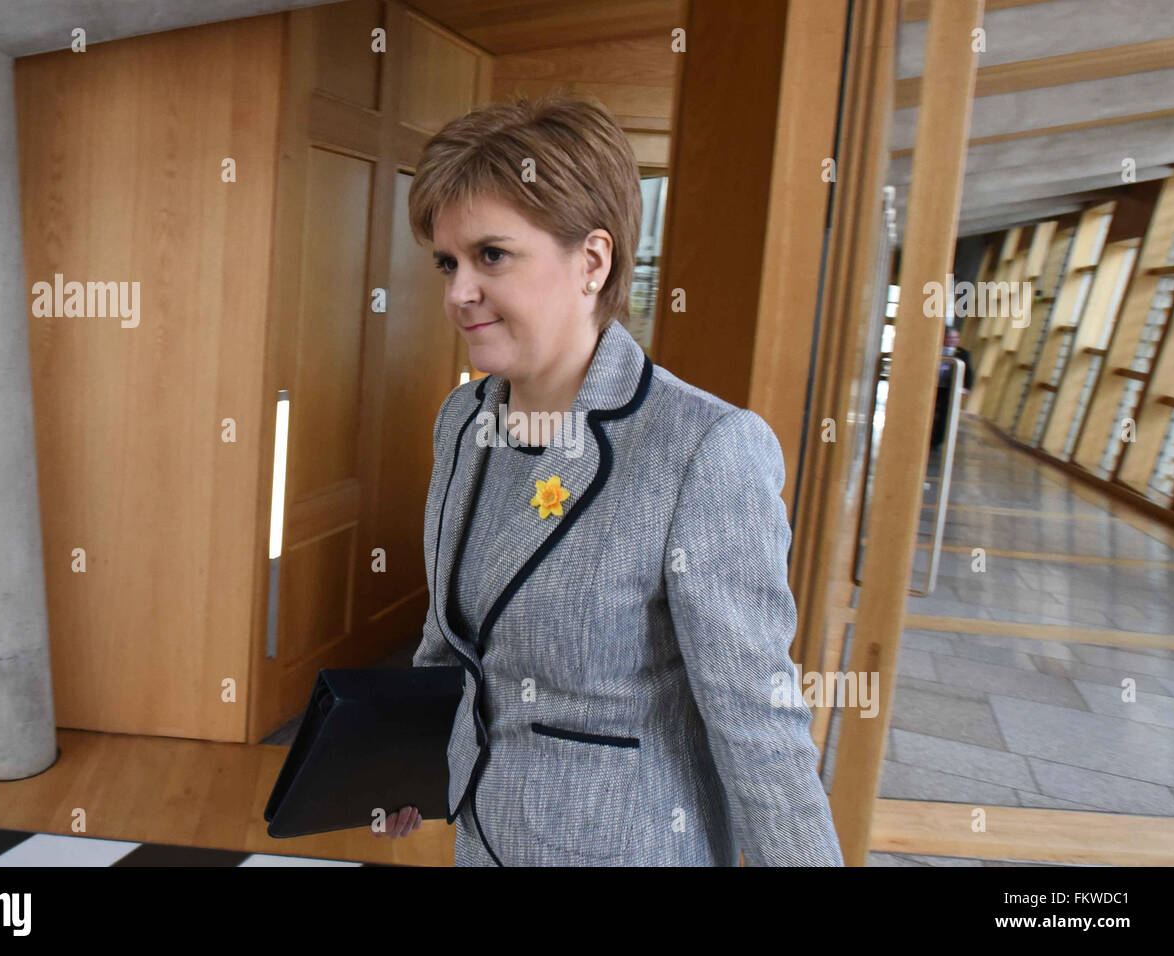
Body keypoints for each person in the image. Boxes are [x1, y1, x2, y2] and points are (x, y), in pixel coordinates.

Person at [381, 94, 843, 866]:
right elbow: (451, 635)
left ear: (592, 262)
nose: (459, 291)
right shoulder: (463, 419)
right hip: (483, 835)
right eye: (448, 262)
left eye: (492, 256)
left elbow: (756, 722)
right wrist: (403, 753)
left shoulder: (704, 449)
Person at [931, 327, 973, 449]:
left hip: (949, 388)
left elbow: (968, 371)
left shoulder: (962, 353)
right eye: (950, 338)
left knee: (945, 414)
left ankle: (937, 441)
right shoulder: (935, 348)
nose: (952, 340)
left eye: (955, 338)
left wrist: (966, 387)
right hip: (934, 386)